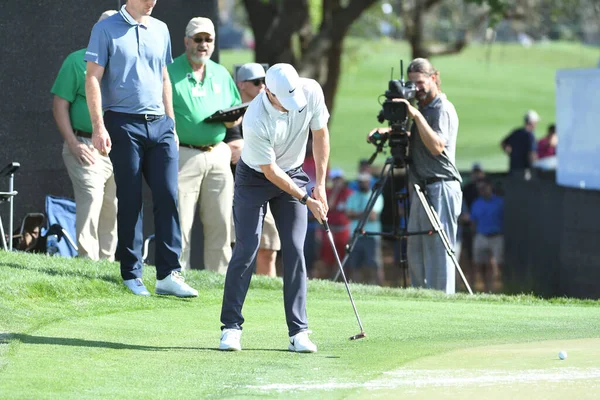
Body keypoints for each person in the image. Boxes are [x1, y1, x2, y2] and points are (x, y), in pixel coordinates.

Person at [85, 0, 197, 297]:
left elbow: (163, 77)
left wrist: (171, 122)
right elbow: (93, 78)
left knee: (168, 194)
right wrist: (99, 126)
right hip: (122, 123)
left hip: (160, 124)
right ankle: (132, 273)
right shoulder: (105, 29)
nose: (152, 2)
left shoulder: (160, 29)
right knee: (131, 197)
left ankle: (168, 274)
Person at [219, 63, 330, 353]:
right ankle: (231, 327)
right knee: (247, 247)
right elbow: (269, 171)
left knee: (294, 248)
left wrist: (321, 183)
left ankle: (299, 332)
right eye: (285, 101)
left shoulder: (311, 91)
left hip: (293, 173)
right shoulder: (255, 117)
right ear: (268, 91)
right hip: (256, 177)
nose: (292, 107)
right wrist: (307, 199)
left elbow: (320, 135)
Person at [368, 58, 462, 294]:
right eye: (411, 84)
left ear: (433, 78)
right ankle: (421, 299)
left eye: (419, 82)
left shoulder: (441, 108)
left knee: (439, 250)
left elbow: (437, 146)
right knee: (417, 248)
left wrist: (415, 115)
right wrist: (389, 132)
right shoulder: (423, 108)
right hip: (421, 185)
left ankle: (443, 305)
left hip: (441, 184)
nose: (416, 88)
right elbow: (417, 138)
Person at [168, 17, 241, 273]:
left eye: (208, 40)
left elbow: (235, 111)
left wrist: (234, 123)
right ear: (186, 41)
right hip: (183, 154)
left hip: (218, 153)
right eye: (198, 39)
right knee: (181, 221)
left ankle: (220, 279)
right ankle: (177, 275)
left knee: (221, 222)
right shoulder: (170, 71)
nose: (203, 45)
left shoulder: (221, 73)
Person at [51, 10, 118, 261]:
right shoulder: (76, 60)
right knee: (92, 198)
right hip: (85, 144)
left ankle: (108, 263)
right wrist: (74, 143)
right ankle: (87, 262)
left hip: (118, 147)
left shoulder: (123, 64)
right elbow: (60, 105)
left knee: (112, 207)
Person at [224, 63, 281, 277]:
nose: (262, 86)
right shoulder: (233, 115)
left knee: (269, 248)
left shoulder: (271, 112)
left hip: (269, 184)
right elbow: (236, 152)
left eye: (264, 82)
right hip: (240, 189)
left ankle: (268, 293)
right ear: (241, 84)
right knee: (240, 249)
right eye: (257, 82)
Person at [312, 168, 353, 279]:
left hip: (343, 230)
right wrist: (335, 191)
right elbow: (330, 206)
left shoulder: (348, 193)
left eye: (339, 179)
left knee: (344, 259)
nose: (337, 182)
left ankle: (343, 281)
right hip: (329, 230)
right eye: (335, 179)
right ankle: (329, 280)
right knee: (327, 259)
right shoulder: (328, 192)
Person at [345, 173, 384, 285]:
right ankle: (356, 288)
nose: (363, 183)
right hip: (355, 235)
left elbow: (373, 216)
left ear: (369, 182)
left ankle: (377, 287)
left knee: (374, 265)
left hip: (371, 236)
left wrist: (356, 214)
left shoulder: (376, 196)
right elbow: (348, 214)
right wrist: (366, 212)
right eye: (361, 181)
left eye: (365, 181)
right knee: (354, 265)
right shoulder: (352, 196)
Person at [470, 178, 504, 292]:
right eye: (480, 189)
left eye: (484, 188)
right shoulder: (476, 203)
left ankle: (497, 289)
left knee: (497, 265)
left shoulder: (500, 202)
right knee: (481, 265)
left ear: (490, 187)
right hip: (481, 236)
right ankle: (485, 289)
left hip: (496, 236)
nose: (482, 191)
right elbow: (473, 221)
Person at [501, 110, 539, 174]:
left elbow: (503, 143)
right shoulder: (530, 135)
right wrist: (534, 167)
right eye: (536, 122)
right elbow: (532, 154)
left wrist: (511, 154)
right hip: (525, 170)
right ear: (532, 122)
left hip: (513, 167)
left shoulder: (516, 132)